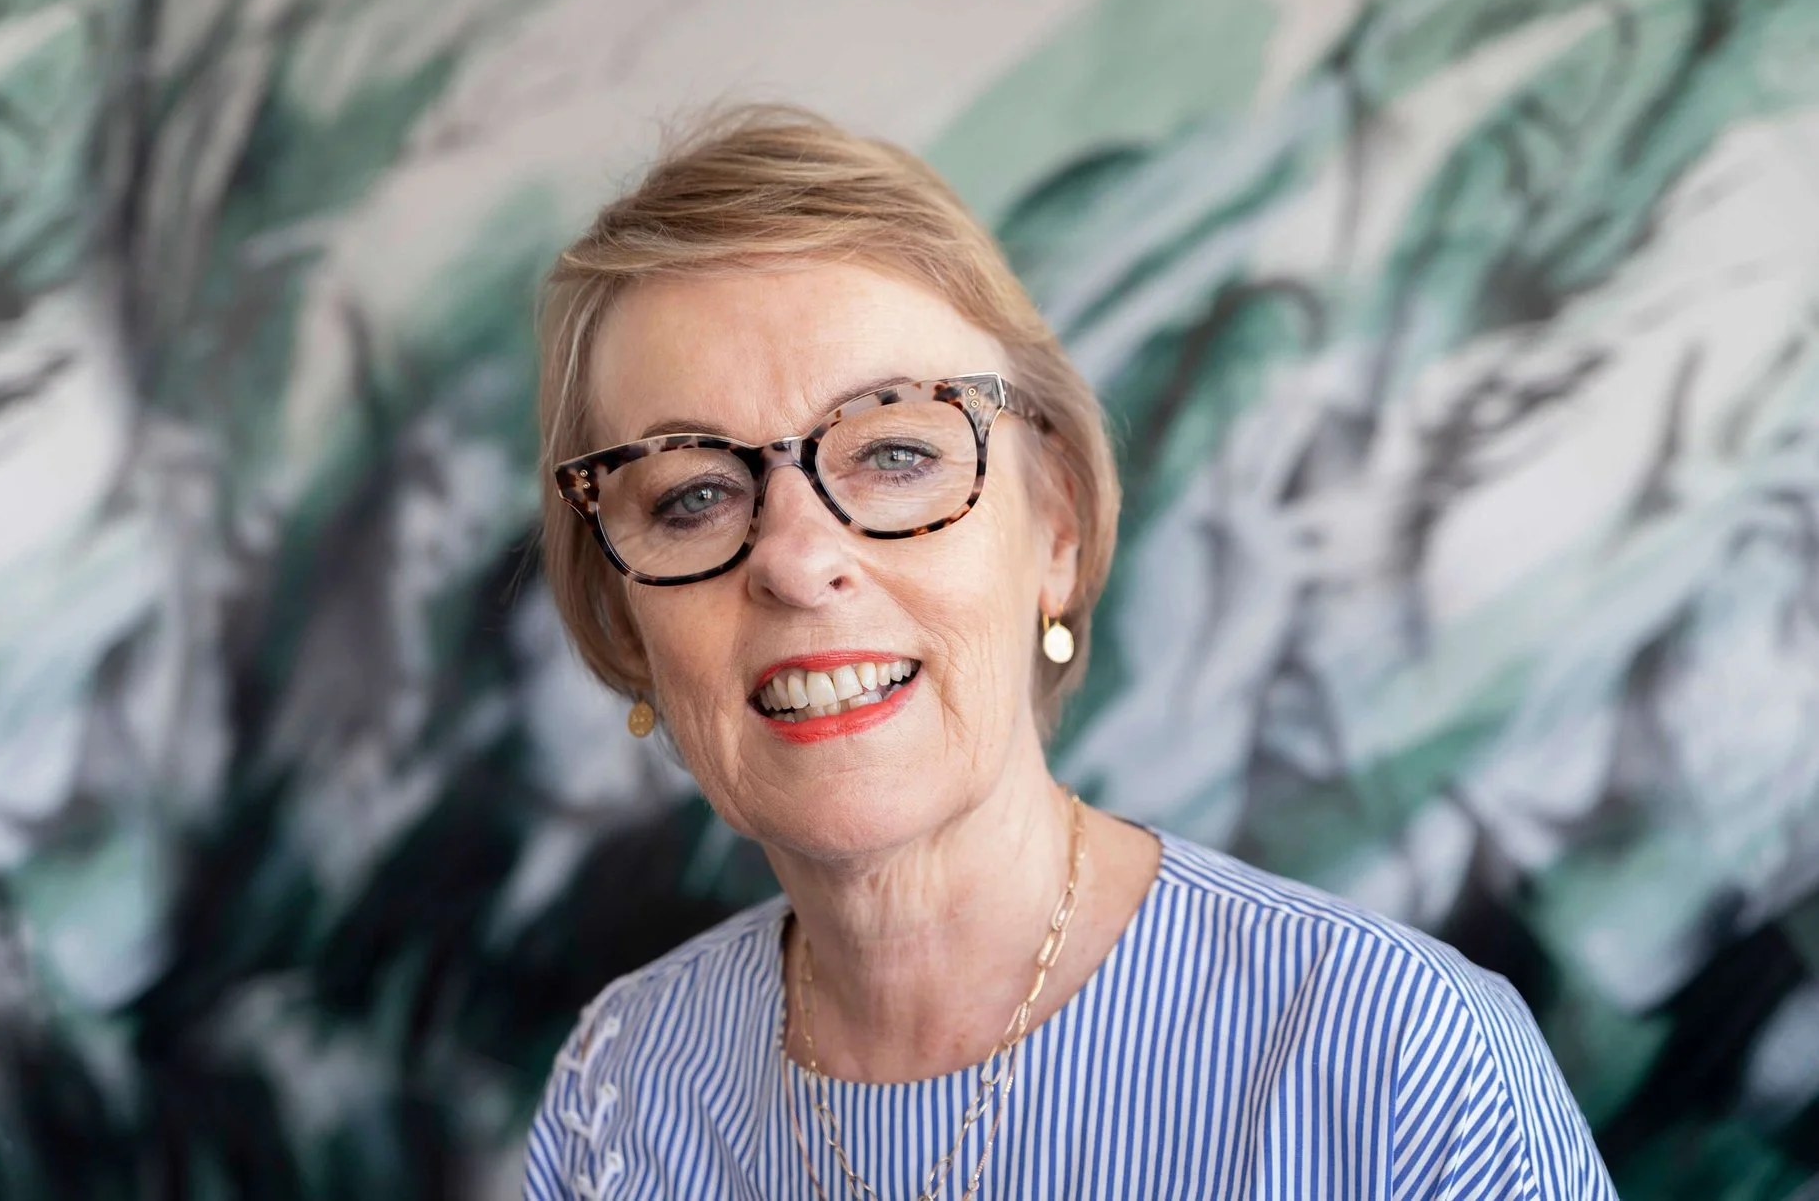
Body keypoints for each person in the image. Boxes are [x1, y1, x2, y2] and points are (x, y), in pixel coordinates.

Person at [519, 106, 1616, 1199]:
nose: (799, 561)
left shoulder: (1393, 1059)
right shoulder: (619, 1093)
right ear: (622, 623)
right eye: (694, 495)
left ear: (1057, 527)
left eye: (895, 451)